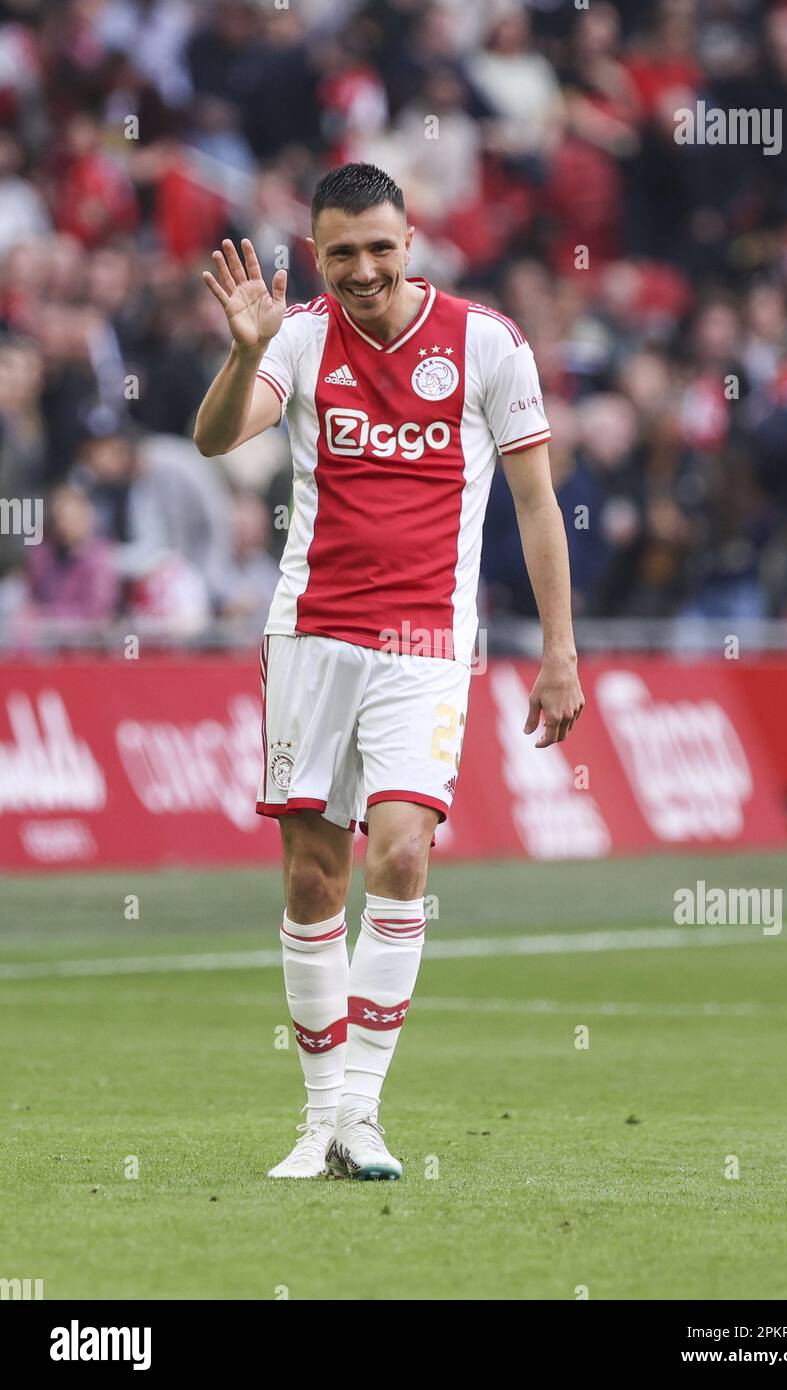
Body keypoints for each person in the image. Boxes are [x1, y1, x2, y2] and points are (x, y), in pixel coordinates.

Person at [194, 162, 584, 1181]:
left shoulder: (487, 342)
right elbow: (215, 438)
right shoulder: (295, 336)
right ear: (315, 253)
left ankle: (360, 1114)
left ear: (410, 243)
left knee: (402, 857)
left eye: (379, 248)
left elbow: (536, 505)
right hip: (311, 635)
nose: (362, 269)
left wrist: (558, 650)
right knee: (311, 878)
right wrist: (244, 351)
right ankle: (317, 1121)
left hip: (426, 644)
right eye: (341, 253)